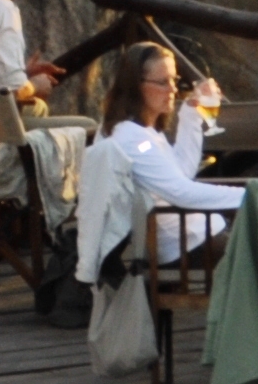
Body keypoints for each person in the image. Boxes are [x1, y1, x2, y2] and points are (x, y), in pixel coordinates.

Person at [93, 39, 231, 258]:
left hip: (195, 234)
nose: (173, 90)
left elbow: (181, 174)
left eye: (174, 80)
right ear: (137, 86)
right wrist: (254, 194)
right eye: (163, 82)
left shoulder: (140, 131)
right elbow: (181, 192)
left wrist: (190, 115)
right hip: (187, 244)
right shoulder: (132, 138)